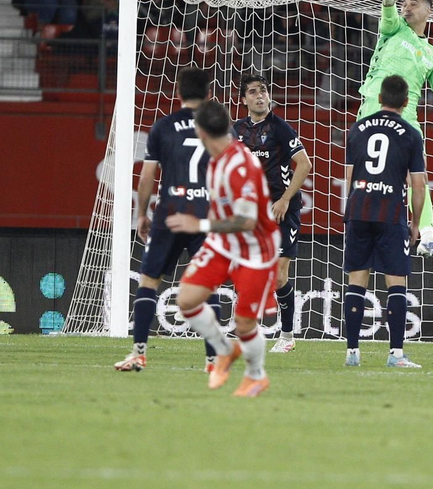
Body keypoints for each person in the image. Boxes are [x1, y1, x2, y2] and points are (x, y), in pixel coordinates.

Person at [157, 99, 281, 397]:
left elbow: (247, 221)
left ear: (201, 132)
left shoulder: (240, 165)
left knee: (244, 322)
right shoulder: (215, 161)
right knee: (187, 300)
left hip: (256, 250)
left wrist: (197, 226)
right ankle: (224, 351)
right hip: (224, 244)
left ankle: (256, 376)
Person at [116, 68, 224, 374]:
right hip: (204, 213)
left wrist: (141, 214)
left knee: (149, 281)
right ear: (208, 93)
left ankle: (138, 354)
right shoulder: (216, 126)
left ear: (179, 92)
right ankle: (213, 361)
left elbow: (147, 175)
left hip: (170, 211)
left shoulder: (163, 126)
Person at [358, 0, 433, 257]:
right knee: (367, 174)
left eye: (413, 3)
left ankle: (427, 237)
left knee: (417, 177)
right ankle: (365, 231)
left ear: (428, 12)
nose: (406, 7)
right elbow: (387, 20)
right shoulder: (395, 27)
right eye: (404, 2)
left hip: (408, 117)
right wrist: (387, 2)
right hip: (374, 108)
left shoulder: (432, 54)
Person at [341, 73, 430, 369]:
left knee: (356, 280)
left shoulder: (357, 128)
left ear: (379, 98)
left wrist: (351, 207)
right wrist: (416, 223)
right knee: (396, 283)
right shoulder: (410, 133)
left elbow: (349, 177)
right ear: (405, 103)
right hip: (390, 214)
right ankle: (395, 355)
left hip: (359, 209)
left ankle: (352, 352)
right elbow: (419, 185)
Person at [231, 72, 312, 355]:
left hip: (280, 210)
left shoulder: (280, 128)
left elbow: (304, 165)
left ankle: (287, 335)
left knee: (278, 277)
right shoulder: (235, 130)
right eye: (253, 92)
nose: (260, 95)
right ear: (243, 100)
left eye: (263, 90)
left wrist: (285, 200)